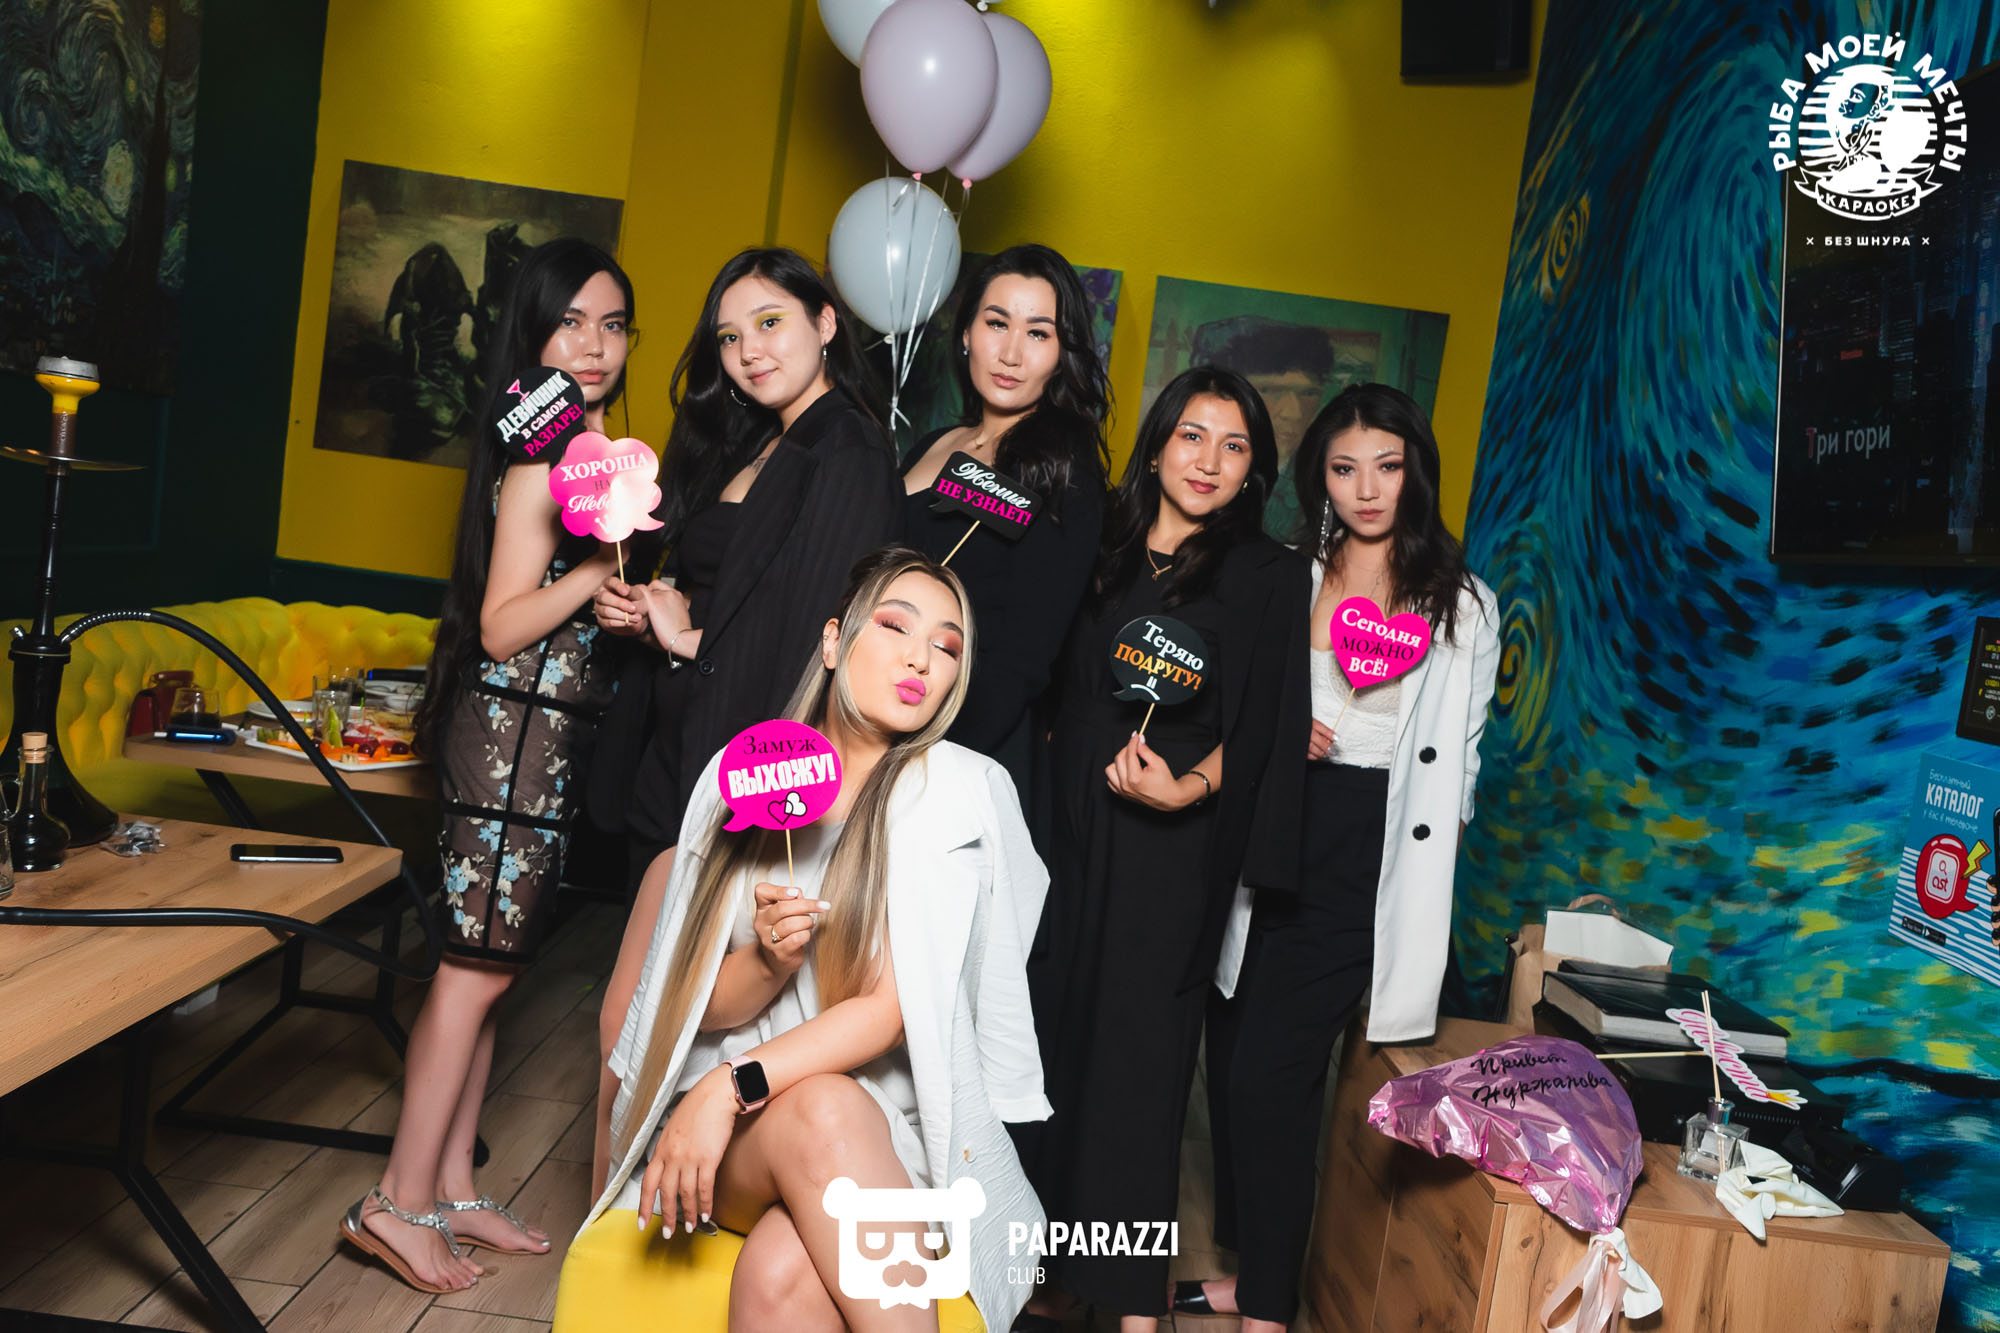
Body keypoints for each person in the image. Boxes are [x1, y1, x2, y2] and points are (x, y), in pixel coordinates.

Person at [581, 547, 1051, 1332]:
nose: (920, 658)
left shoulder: (956, 792)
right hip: (741, 1142)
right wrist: (768, 964)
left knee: (781, 1274)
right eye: (896, 626)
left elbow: (888, 1014)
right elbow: (691, 1003)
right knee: (824, 1108)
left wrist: (726, 1085)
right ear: (834, 641)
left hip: (884, 1134)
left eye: (946, 646)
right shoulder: (743, 774)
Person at [339, 238, 637, 1293]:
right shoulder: (540, 457)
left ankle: (453, 1187)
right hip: (508, 736)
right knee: (472, 970)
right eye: (570, 323)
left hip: (543, 741)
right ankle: (395, 1201)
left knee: (495, 966)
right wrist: (597, 572)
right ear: (531, 333)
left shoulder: (588, 448)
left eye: (612, 325)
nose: (593, 345)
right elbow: (505, 625)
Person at [1180, 384, 1500, 1330]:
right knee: (1231, 1053)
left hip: (1370, 847)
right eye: (1345, 467)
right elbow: (1237, 704)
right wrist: (1282, 736)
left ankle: (1267, 1308)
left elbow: (1461, 762)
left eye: (1388, 466)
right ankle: (1253, 1268)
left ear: (1416, 473)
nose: (1367, 489)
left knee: (1269, 1073)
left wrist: (1423, 866)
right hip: (1273, 824)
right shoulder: (1290, 577)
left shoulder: (1465, 605)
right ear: (1319, 476)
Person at [586, 247, 901, 1195]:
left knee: (650, 1017)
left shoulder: (846, 448)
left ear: (826, 323)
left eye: (770, 323)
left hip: (741, 770)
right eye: (729, 336)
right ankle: (607, 1232)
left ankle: (619, 1221)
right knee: (632, 1017)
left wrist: (689, 640)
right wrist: (658, 605)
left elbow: (815, 639)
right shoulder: (757, 439)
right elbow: (735, 593)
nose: (749, 351)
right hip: (679, 752)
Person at [1017, 367, 1309, 1332]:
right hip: (1064, 831)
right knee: (1049, 1050)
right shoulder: (1096, 541)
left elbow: (1267, 726)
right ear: (1157, 445)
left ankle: (1134, 1303)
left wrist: (1187, 786)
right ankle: (1049, 1274)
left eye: (1234, 446)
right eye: (1192, 435)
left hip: (1170, 852)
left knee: (1138, 1076)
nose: (1209, 460)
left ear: (1254, 470)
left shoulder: (1267, 574)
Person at [898, 243, 1110, 801]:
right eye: (997, 323)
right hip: (880, 708)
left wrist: (922, 757)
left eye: (1038, 333)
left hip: (962, 746)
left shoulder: (1063, 473)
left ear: (1063, 353)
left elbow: (1023, 658)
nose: (1011, 353)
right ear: (967, 332)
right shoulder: (934, 442)